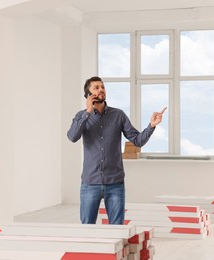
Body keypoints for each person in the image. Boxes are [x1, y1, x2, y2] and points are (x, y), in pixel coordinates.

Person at [67, 76, 166, 225]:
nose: (101, 90)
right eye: (96, 88)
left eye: (102, 87)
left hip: (115, 183)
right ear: (88, 94)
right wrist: (88, 112)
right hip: (90, 183)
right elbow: (72, 136)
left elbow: (137, 140)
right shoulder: (81, 116)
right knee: (86, 228)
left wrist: (151, 126)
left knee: (117, 229)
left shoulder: (118, 115)